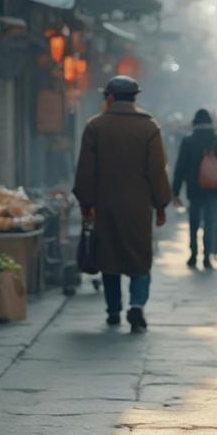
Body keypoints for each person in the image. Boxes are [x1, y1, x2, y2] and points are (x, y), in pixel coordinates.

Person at [74, 75, 171, 333]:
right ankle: (137, 305)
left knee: (110, 258)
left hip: (105, 206)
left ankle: (114, 310)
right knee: (139, 257)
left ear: (111, 98)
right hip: (139, 208)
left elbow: (85, 170)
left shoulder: (95, 126)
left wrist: (86, 203)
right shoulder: (149, 127)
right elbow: (157, 171)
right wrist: (161, 204)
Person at [173, 109, 217, 270]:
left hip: (194, 189)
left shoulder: (188, 141)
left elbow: (180, 167)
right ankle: (207, 257)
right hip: (214, 190)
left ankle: (193, 254)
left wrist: (175, 190)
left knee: (194, 222)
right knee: (210, 223)